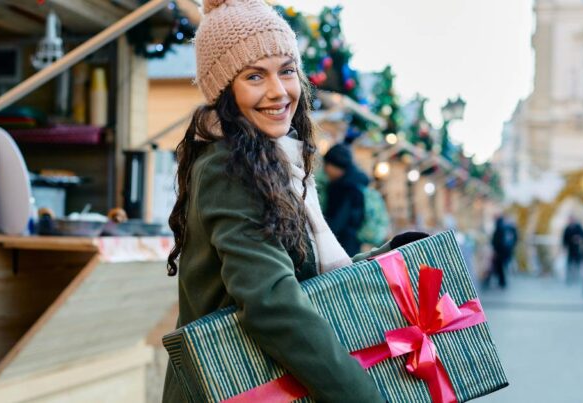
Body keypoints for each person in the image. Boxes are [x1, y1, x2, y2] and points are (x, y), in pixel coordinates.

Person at [162, 1, 425, 401]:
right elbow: (271, 302)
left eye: (286, 70)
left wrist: (385, 257)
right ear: (224, 90)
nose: (278, 91)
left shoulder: (276, 162)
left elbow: (301, 274)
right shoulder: (229, 167)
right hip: (235, 388)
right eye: (254, 76)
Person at [323, 144, 367, 256]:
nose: (325, 169)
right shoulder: (356, 182)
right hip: (352, 243)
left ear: (337, 165)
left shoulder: (344, 188)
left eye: (327, 164)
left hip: (342, 245)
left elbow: (337, 221)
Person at [484, 216, 511, 289]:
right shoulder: (503, 228)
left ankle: (500, 282)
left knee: (497, 267)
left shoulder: (499, 229)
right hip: (502, 251)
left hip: (499, 252)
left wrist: (495, 250)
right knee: (499, 267)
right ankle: (501, 282)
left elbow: (497, 241)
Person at [562, 216, 583, 284]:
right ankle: (569, 278)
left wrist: (579, 239)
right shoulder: (567, 228)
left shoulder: (578, 227)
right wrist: (564, 248)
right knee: (569, 264)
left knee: (577, 264)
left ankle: (577, 278)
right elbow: (564, 239)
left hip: (578, 249)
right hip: (570, 249)